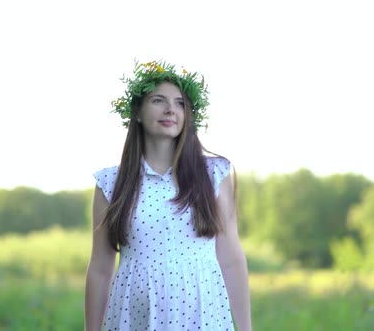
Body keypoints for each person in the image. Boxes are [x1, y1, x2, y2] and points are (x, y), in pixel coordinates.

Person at [84, 60, 252, 331]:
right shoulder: (111, 182)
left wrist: (245, 329)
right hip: (135, 316)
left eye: (180, 103)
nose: (170, 109)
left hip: (203, 315)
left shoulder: (214, 175)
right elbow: (100, 269)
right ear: (137, 111)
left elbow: (231, 258)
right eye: (158, 100)